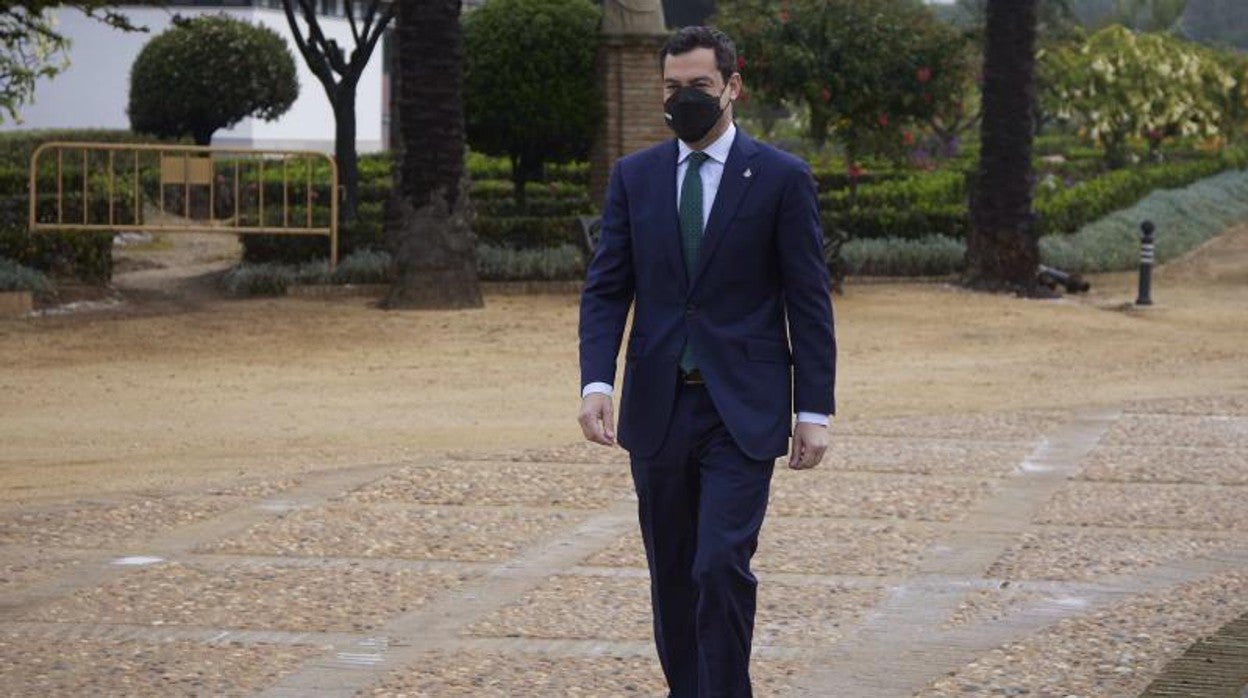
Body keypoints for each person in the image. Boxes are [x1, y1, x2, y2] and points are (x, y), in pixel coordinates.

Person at [577, 26, 837, 698]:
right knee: (671, 572)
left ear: (732, 87)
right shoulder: (634, 178)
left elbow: (808, 301)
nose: (682, 98)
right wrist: (596, 381)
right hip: (658, 409)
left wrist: (814, 410)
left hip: (742, 410)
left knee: (720, 562)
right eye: (671, 87)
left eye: (697, 86)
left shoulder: (782, 178)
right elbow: (608, 287)